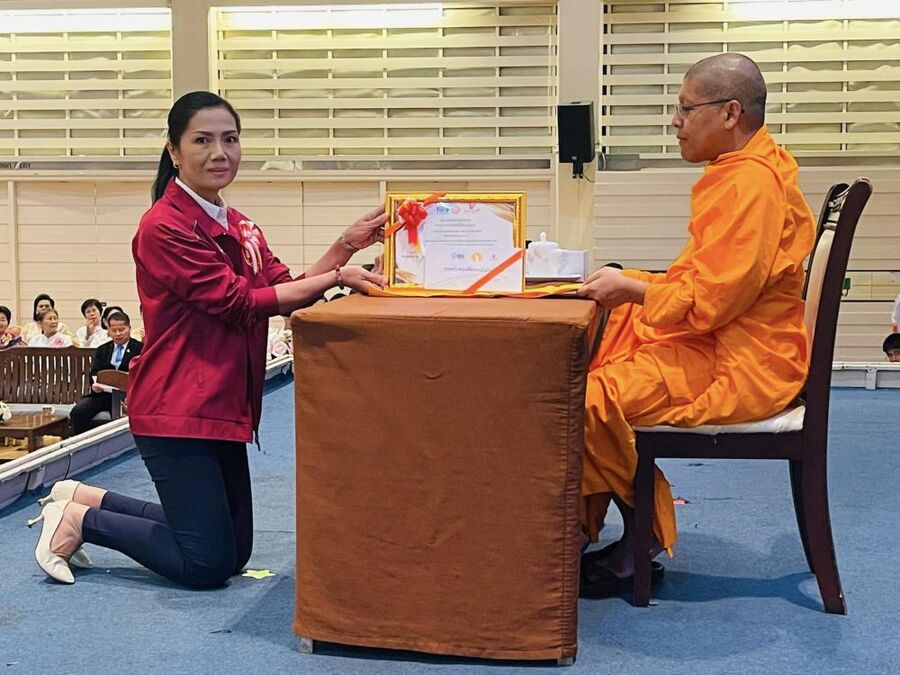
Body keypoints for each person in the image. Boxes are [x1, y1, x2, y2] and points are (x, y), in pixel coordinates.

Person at [28, 91, 387, 588]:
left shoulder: (239, 225)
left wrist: (345, 246)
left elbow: (285, 289)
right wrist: (338, 277)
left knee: (233, 553)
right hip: (177, 404)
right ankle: (78, 520)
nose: (220, 152)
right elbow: (237, 302)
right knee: (207, 564)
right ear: (174, 151)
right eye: (203, 140)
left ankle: (87, 497)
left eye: (230, 139)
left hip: (220, 403)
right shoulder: (163, 228)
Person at [574, 53, 815, 597]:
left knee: (583, 399)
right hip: (722, 338)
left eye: (686, 109)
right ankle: (576, 525)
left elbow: (715, 300)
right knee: (599, 340)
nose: (676, 121)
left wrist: (635, 289)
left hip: (741, 363)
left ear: (730, 113)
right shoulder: (750, 167)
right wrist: (629, 283)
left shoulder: (752, 183)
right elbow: (707, 277)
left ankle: (642, 535)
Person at [69, 311, 142, 435]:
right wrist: (94, 385)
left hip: (128, 396)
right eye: (114, 330)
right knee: (78, 412)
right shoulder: (103, 349)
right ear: (108, 331)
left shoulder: (139, 348)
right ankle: (85, 444)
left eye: (121, 330)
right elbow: (94, 373)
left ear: (129, 328)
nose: (118, 334)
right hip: (103, 395)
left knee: (124, 415)